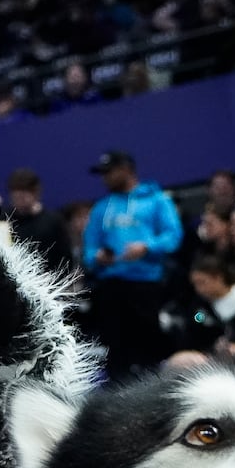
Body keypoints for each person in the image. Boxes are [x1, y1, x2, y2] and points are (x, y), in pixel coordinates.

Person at [82, 149, 183, 376]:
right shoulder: (100, 208)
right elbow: (89, 249)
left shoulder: (156, 200)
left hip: (145, 285)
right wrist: (97, 257)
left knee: (150, 348)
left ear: (126, 169)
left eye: (109, 172)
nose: (105, 178)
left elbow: (173, 236)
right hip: (111, 288)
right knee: (116, 351)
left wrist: (146, 247)